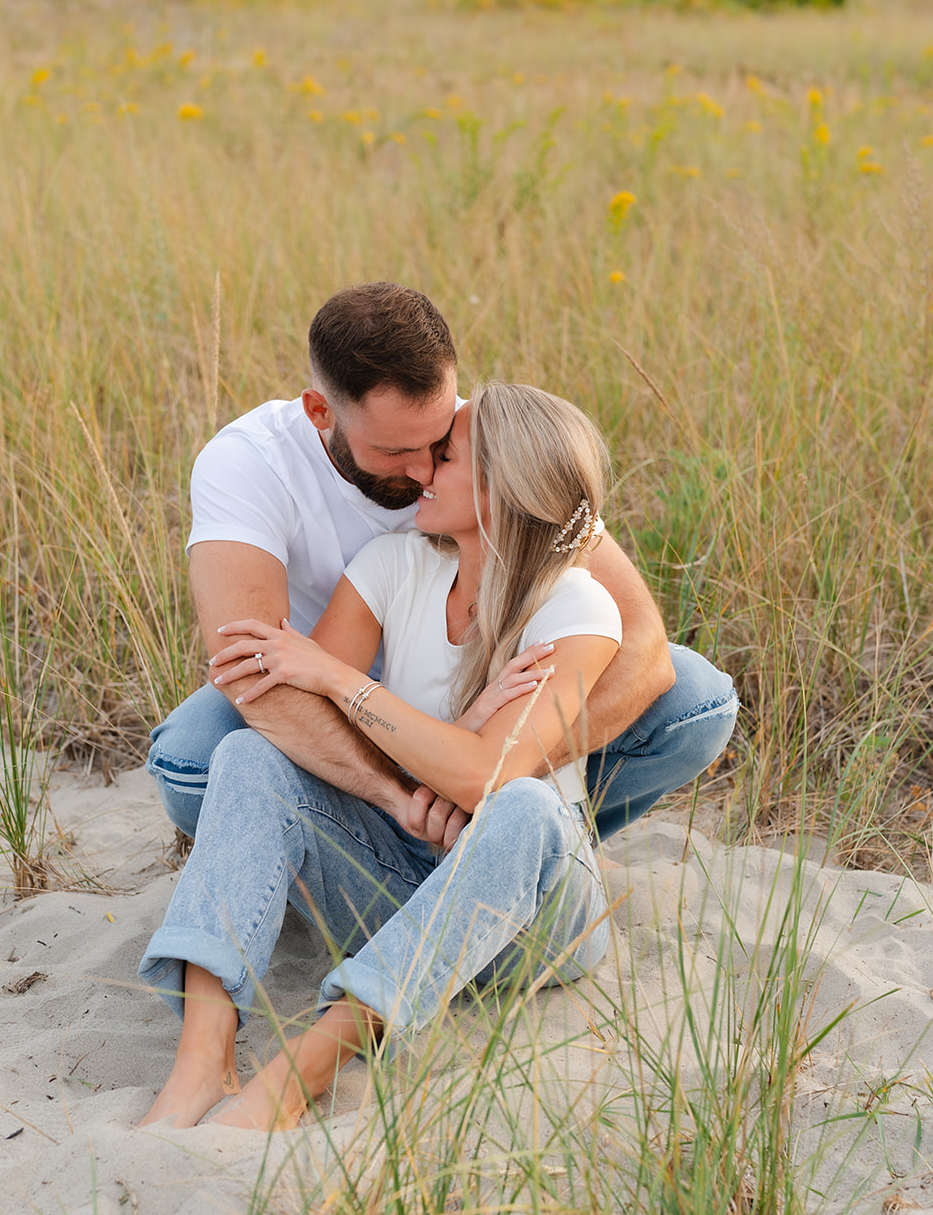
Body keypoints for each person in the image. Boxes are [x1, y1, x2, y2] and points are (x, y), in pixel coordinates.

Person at [139, 384, 623, 1130]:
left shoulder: (574, 606)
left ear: (502, 489)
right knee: (248, 754)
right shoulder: (391, 565)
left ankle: (306, 1070)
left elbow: (479, 779)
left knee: (524, 804)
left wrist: (339, 677)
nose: (419, 474)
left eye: (445, 456)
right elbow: (309, 730)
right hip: (402, 882)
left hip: (529, 917)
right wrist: (456, 732)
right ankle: (201, 1062)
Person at [145, 284, 737, 849]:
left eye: (438, 445)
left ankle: (513, 839)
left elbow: (640, 640)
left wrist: (480, 774)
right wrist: (397, 793)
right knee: (190, 764)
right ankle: (378, 847)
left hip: (480, 710)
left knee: (694, 699)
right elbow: (252, 674)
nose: (426, 470)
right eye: (397, 452)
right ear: (321, 411)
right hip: (320, 687)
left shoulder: (484, 441)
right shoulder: (248, 463)